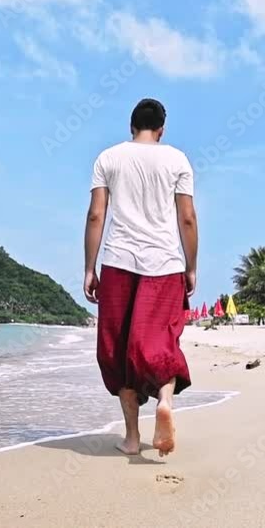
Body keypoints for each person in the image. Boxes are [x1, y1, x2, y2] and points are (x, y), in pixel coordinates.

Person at [83, 98, 198, 458]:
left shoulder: (108, 158)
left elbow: (96, 215)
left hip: (118, 263)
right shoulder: (176, 159)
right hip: (165, 263)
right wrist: (190, 265)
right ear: (161, 129)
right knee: (161, 341)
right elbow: (188, 218)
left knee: (117, 350)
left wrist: (90, 267)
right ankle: (165, 400)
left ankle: (132, 438)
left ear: (131, 126)